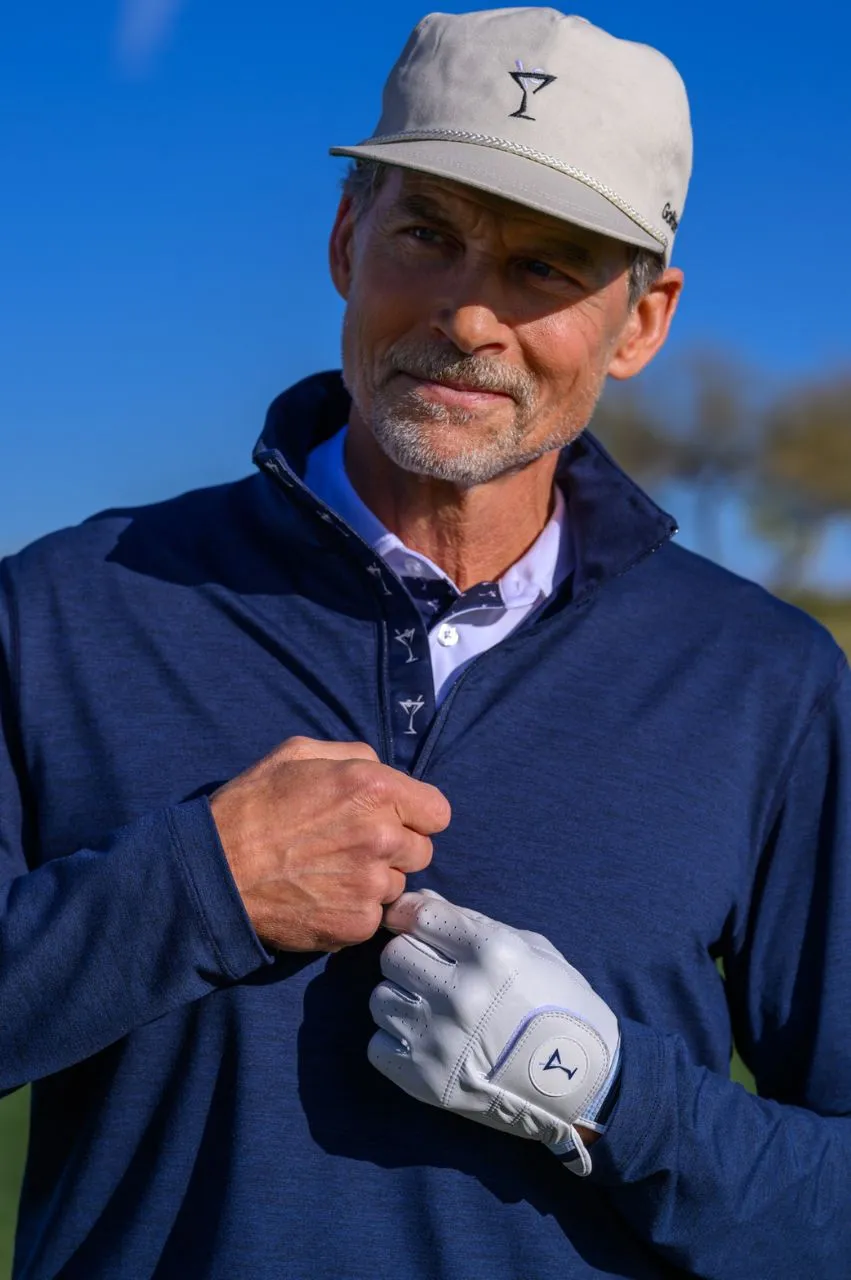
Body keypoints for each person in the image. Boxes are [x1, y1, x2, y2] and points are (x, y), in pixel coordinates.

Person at [1, 7, 848, 1278]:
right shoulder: (62, 607)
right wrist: (192, 888)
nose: (465, 316)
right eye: (427, 235)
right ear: (347, 239)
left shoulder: (767, 684)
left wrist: (602, 1092)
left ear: (639, 321)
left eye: (545, 266)